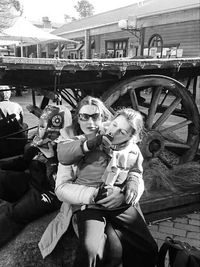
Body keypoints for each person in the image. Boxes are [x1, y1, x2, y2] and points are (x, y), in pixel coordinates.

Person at [39, 96, 158, 267]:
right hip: (88, 203)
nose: (90, 122)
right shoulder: (79, 140)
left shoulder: (131, 148)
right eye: (84, 116)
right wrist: (94, 195)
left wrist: (128, 190)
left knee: (147, 247)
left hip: (119, 203)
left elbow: (135, 171)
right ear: (77, 116)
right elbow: (63, 176)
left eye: (95, 116)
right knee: (92, 251)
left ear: (103, 118)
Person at [0, 104, 72, 247]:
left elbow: (59, 184)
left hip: (49, 193)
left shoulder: (68, 148)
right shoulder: (39, 141)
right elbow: (23, 162)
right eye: (40, 126)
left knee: (15, 213)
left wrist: (51, 159)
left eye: (47, 127)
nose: (42, 131)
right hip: (32, 182)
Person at [0, 85, 27, 158]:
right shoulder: (17, 105)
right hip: (17, 140)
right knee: (25, 125)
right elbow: (21, 122)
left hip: (3, 141)